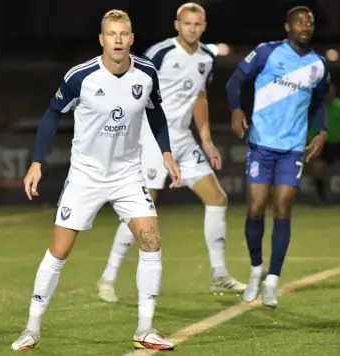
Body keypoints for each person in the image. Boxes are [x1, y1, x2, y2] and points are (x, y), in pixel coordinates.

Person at [9, 10, 180, 352]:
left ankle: (146, 329)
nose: (118, 39)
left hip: (128, 175)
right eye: (111, 34)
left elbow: (155, 110)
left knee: (151, 241)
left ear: (131, 39)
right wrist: (36, 163)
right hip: (86, 176)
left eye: (123, 34)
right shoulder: (81, 77)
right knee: (59, 252)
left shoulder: (145, 73)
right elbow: (52, 113)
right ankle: (32, 328)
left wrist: (166, 152)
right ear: (101, 40)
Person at [96, 2, 246, 304]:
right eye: (186, 23)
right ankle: (108, 277)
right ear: (177, 25)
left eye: (197, 24)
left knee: (217, 198)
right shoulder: (160, 53)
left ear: (203, 26)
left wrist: (205, 139)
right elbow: (129, 83)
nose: (192, 28)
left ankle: (219, 274)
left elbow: (200, 97)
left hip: (182, 140)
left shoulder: (207, 56)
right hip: (151, 139)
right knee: (142, 207)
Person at [226, 6, 330, 308]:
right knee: (256, 208)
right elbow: (234, 82)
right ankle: (257, 268)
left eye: (309, 22)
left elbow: (320, 101)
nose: (304, 26)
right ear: (287, 27)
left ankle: (273, 279)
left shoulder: (319, 65)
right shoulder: (266, 52)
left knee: (283, 205)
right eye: (299, 21)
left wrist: (320, 131)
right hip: (261, 143)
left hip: (293, 147)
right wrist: (235, 109)